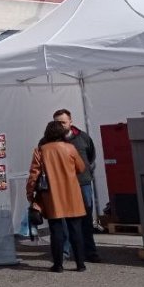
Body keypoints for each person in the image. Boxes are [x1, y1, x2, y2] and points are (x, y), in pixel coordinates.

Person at [27, 120, 87, 272]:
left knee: (56, 231)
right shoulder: (70, 148)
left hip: (52, 196)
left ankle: (58, 265)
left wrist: (30, 194)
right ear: (62, 133)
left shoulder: (41, 151)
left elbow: (34, 176)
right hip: (72, 193)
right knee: (76, 230)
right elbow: (81, 168)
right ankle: (80, 264)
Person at [55, 108, 100, 263]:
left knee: (86, 218)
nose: (60, 125)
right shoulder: (51, 141)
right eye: (57, 123)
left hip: (82, 183)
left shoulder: (83, 138)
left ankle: (90, 251)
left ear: (70, 122)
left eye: (63, 122)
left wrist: (86, 173)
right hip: (62, 185)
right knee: (63, 219)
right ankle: (65, 252)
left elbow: (91, 157)